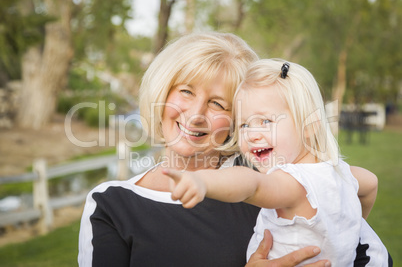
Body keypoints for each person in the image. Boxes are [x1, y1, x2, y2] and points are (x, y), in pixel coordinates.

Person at [78, 33, 390, 266]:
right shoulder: (111, 205)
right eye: (186, 91)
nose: (197, 114)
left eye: (217, 103)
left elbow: (366, 253)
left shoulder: (274, 178)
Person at [164, 59, 391, 266]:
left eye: (265, 120)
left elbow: (252, 183)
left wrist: (203, 182)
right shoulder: (340, 172)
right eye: (243, 125)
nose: (252, 134)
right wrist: (349, 227)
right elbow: (371, 184)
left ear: (310, 125)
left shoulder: (293, 183)